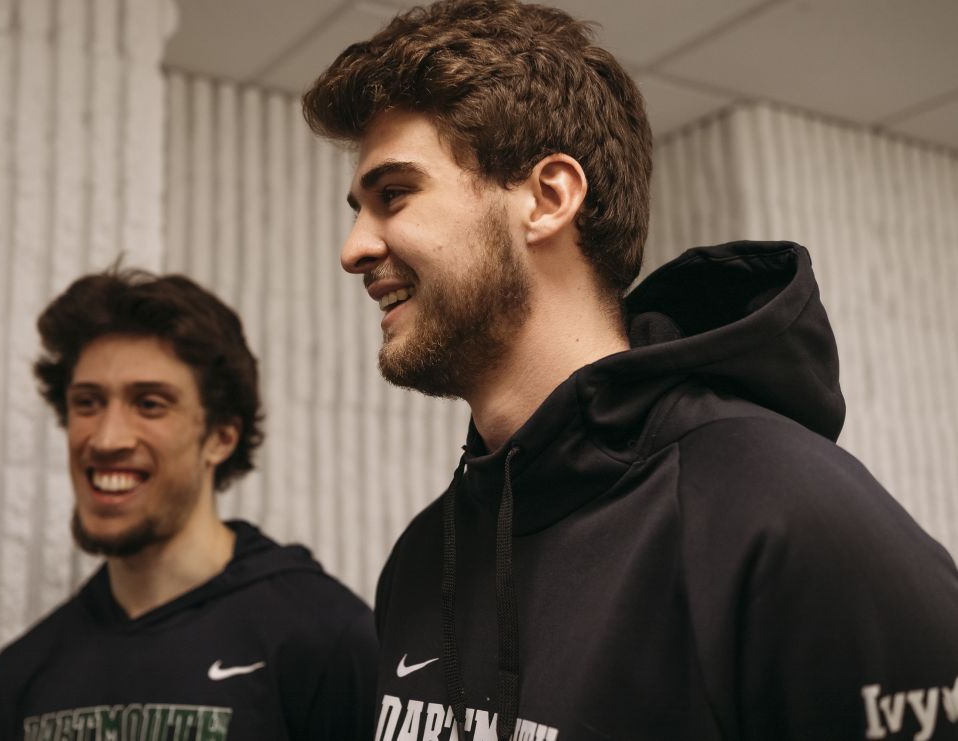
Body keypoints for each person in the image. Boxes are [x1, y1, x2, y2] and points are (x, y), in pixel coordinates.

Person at [302, 1, 958, 739]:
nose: (354, 247)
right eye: (360, 208)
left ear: (549, 198)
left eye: (394, 195)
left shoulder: (785, 515)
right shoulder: (424, 557)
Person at [0, 269, 377, 740]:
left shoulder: (327, 641)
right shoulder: (23, 675)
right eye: (87, 403)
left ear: (219, 437)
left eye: (150, 404)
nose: (106, 439)